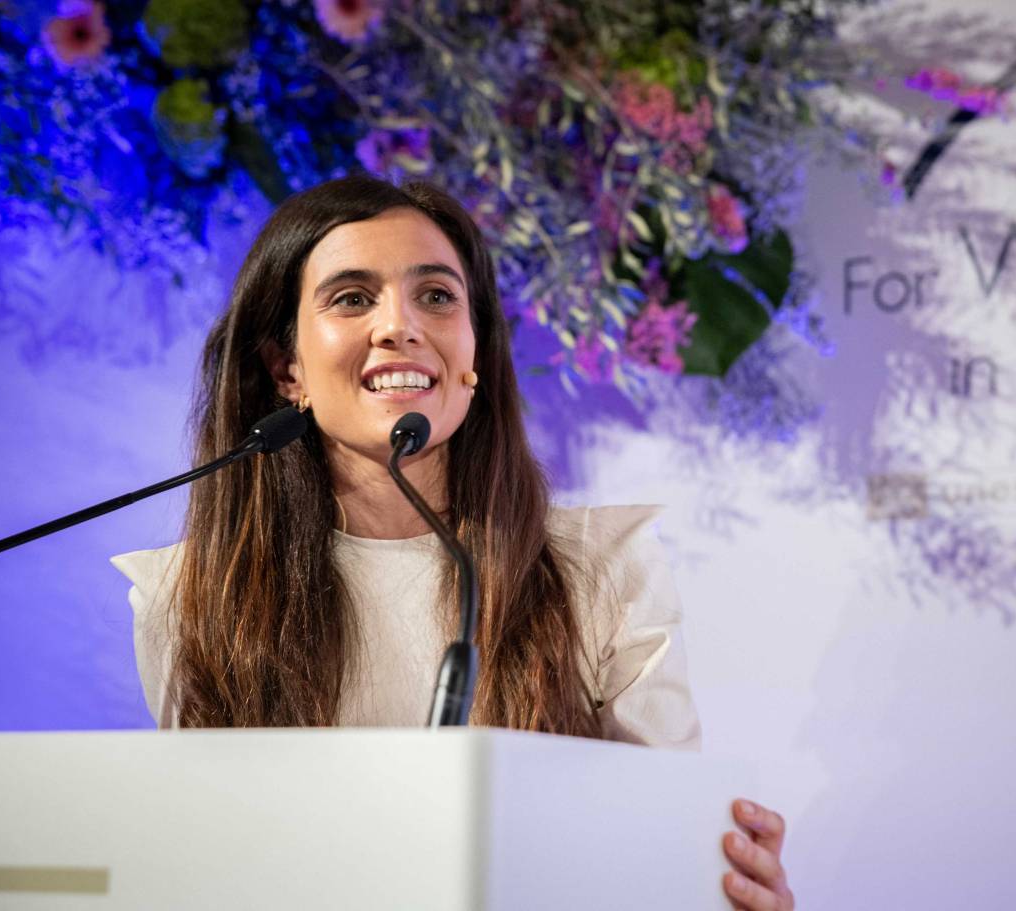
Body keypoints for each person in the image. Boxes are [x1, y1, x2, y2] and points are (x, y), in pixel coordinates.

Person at [111, 175, 795, 909]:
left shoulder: (602, 566)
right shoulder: (191, 598)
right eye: (351, 297)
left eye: (437, 295)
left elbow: (668, 859)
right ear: (287, 369)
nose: (399, 325)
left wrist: (719, 884)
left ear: (473, 351)